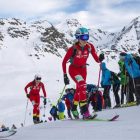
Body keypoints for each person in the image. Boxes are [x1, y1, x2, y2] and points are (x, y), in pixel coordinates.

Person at [62, 27, 104, 119]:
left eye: (87, 37)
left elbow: (96, 60)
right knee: (82, 85)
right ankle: (84, 111)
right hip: (73, 69)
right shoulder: (72, 49)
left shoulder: (90, 47)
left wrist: (100, 59)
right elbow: (64, 61)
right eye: (83, 37)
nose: (85, 40)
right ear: (78, 37)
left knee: (79, 90)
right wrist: (65, 75)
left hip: (83, 70)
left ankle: (73, 108)